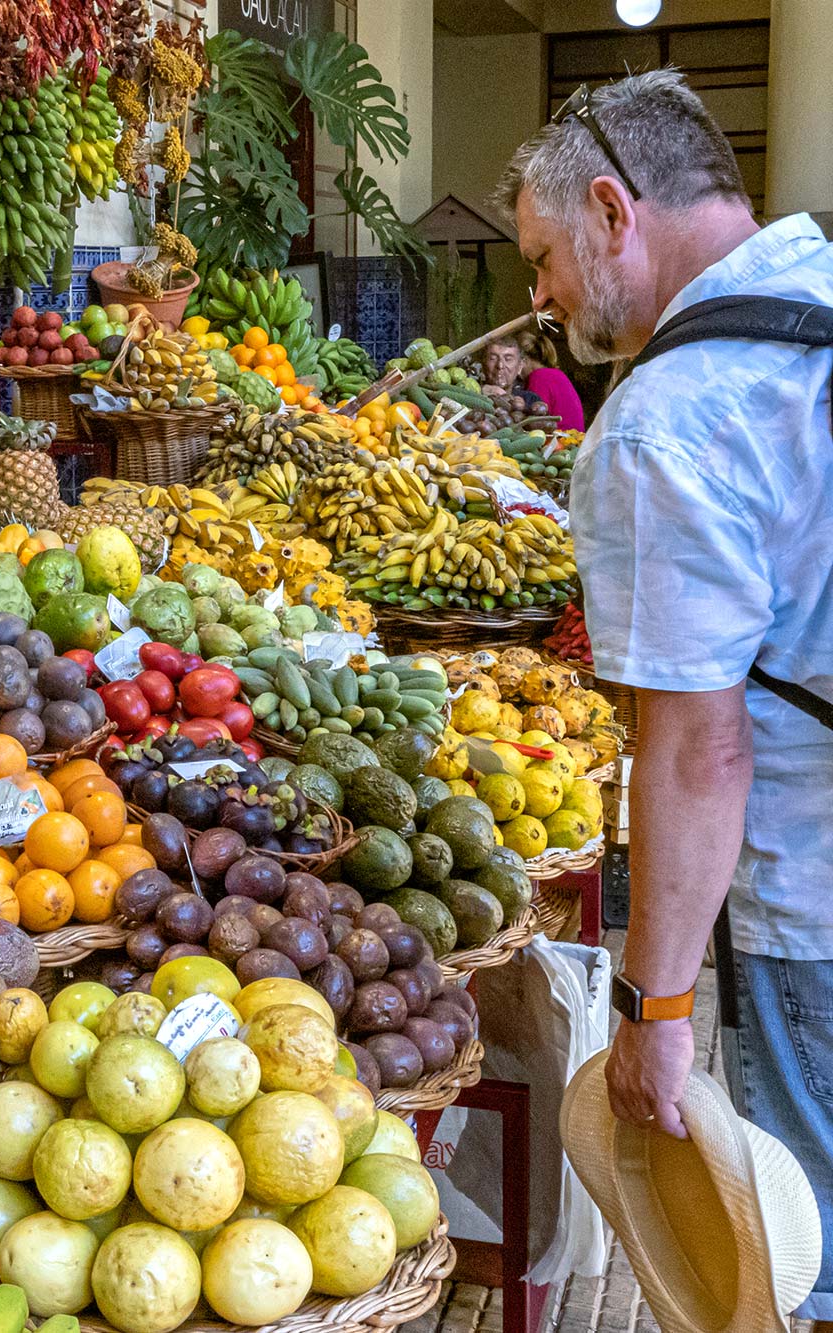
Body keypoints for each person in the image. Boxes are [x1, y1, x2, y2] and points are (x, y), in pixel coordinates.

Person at [498, 68, 833, 1328]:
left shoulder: (664, 422)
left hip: (814, 893)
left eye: (539, 260)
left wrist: (653, 1008)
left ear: (608, 209)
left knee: (809, 1257)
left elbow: (697, 750)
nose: (538, 301)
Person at [524, 333, 588, 430]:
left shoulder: (539, 377)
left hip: (563, 440)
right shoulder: (556, 373)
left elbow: (536, 420)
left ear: (524, 360)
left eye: (510, 360)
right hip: (575, 437)